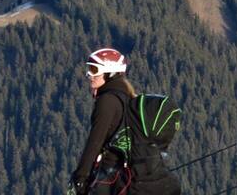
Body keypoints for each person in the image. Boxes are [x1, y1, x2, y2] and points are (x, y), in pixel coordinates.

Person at [71, 48, 181, 195]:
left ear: (110, 73)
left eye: (93, 69)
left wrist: (80, 178)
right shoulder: (126, 97)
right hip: (134, 176)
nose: (89, 75)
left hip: (113, 177)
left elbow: (95, 142)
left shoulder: (107, 101)